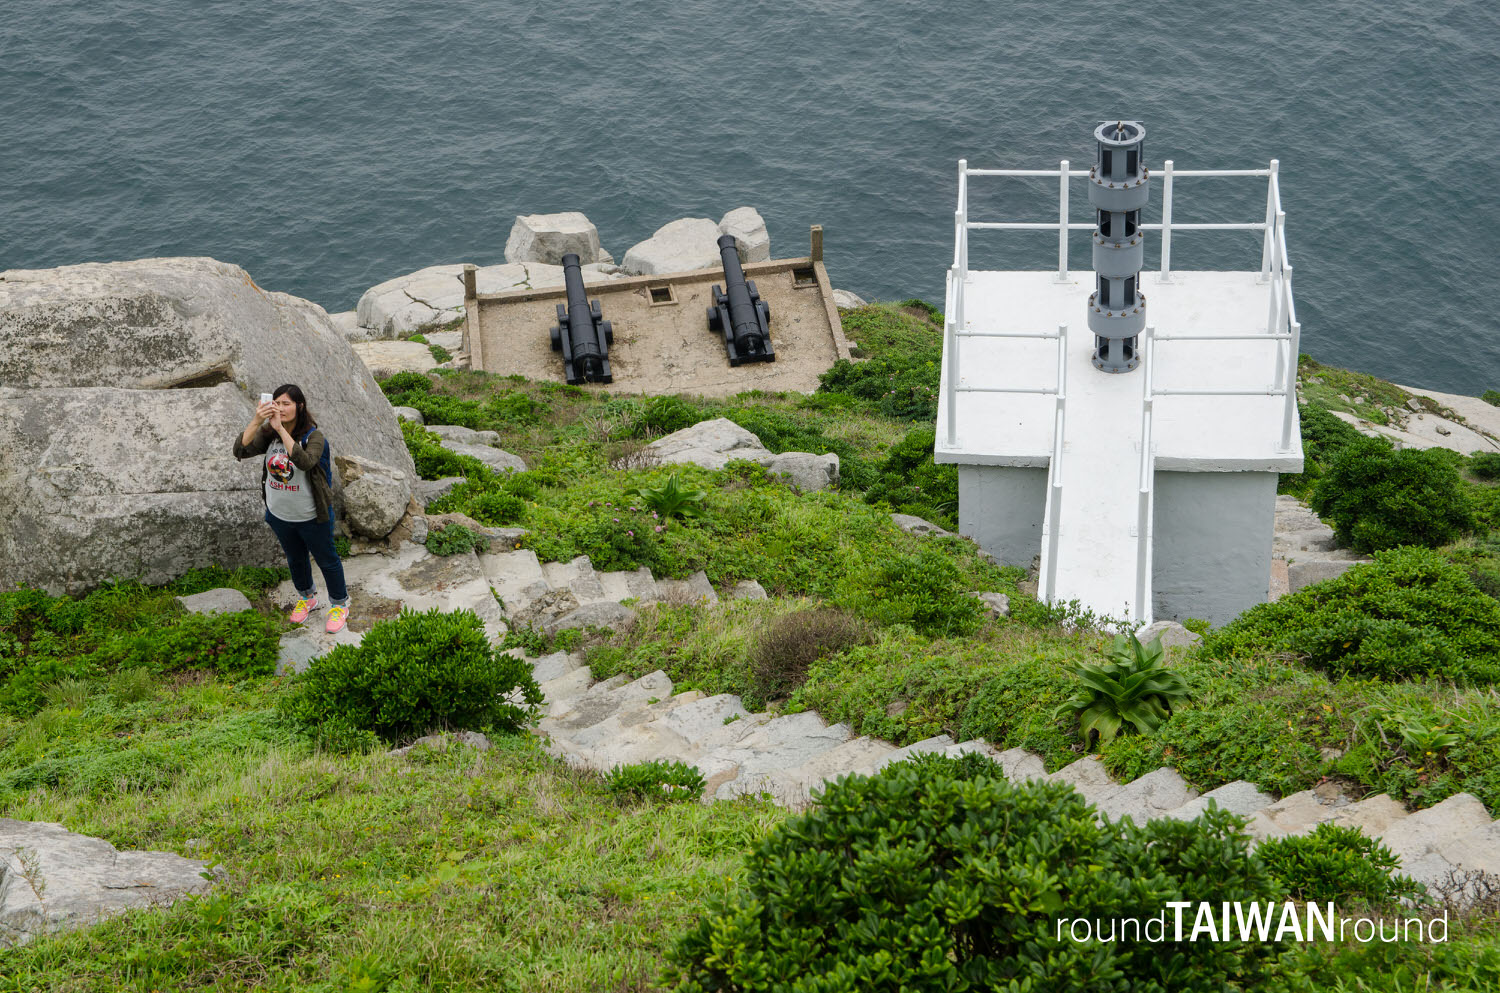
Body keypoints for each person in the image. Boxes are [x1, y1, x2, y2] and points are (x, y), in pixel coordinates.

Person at [232, 384, 350, 633]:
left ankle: (339, 604)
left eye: (287, 403)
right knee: (296, 559)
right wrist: (257, 419)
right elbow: (240, 450)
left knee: (327, 560)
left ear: (300, 406)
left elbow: (305, 461)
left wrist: (281, 431)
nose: (281, 408)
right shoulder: (268, 434)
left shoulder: (314, 437)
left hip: (311, 515)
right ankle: (308, 598)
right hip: (280, 514)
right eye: (277, 403)